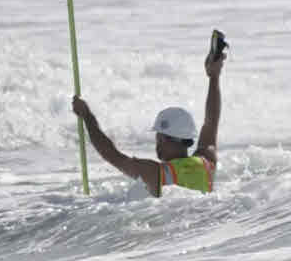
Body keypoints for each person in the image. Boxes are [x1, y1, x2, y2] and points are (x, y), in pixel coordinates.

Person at [71, 51, 225, 196]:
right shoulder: (206, 163)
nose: (157, 144)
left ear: (168, 139)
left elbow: (114, 156)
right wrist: (214, 77)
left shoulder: (155, 173)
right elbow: (211, 122)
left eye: (160, 139)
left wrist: (87, 116)